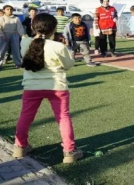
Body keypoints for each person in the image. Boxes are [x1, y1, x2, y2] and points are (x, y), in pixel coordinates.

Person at [14, 13, 82, 164]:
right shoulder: (58, 46)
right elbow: (68, 65)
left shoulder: (25, 42)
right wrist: (68, 50)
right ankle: (69, 151)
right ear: (54, 29)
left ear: (32, 26)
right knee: (63, 118)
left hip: (32, 86)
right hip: (57, 87)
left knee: (25, 116)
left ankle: (20, 146)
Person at [0, 5, 26, 71]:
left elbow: (19, 28)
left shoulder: (16, 18)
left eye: (11, 9)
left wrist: (22, 35)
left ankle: (18, 63)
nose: (9, 11)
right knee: (1, 51)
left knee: (16, 50)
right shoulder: (1, 18)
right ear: (4, 10)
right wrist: (3, 35)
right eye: (7, 9)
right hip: (4, 35)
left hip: (14, 35)